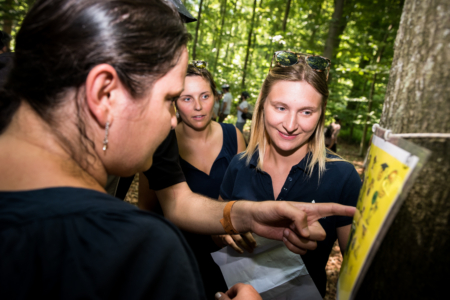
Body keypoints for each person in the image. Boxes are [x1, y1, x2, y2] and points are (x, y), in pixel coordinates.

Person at [0, 2, 356, 299]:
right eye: (172, 99)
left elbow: (179, 202)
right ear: (104, 94)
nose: (175, 120)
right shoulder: (136, 252)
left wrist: (247, 215)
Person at [219, 51, 362, 297]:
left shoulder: (342, 176)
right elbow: (217, 223)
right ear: (263, 104)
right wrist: (225, 229)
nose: (291, 124)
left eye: (306, 112)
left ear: (321, 114)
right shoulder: (239, 164)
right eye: (281, 107)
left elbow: (358, 272)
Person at [139, 62, 248, 298]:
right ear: (174, 102)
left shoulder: (234, 136)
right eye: (186, 98)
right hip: (178, 259)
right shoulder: (159, 143)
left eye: (205, 96)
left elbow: (242, 196)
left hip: (227, 259)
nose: (198, 106)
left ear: (215, 97)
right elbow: (147, 209)